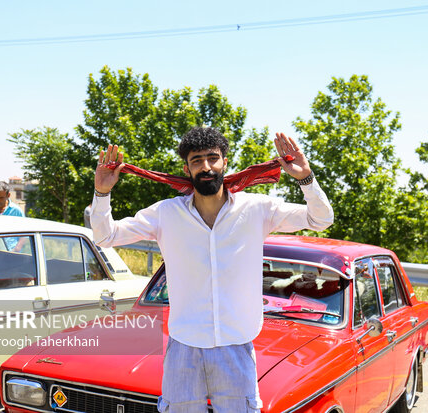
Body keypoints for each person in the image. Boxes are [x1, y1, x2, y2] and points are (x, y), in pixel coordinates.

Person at [90, 127, 333, 412]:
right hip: (184, 348)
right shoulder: (166, 214)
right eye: (197, 160)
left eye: (212, 158)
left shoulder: (257, 210)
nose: (205, 167)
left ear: (224, 163)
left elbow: (321, 219)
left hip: (236, 347)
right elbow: (106, 236)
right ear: (187, 168)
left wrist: (305, 178)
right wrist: (102, 193)